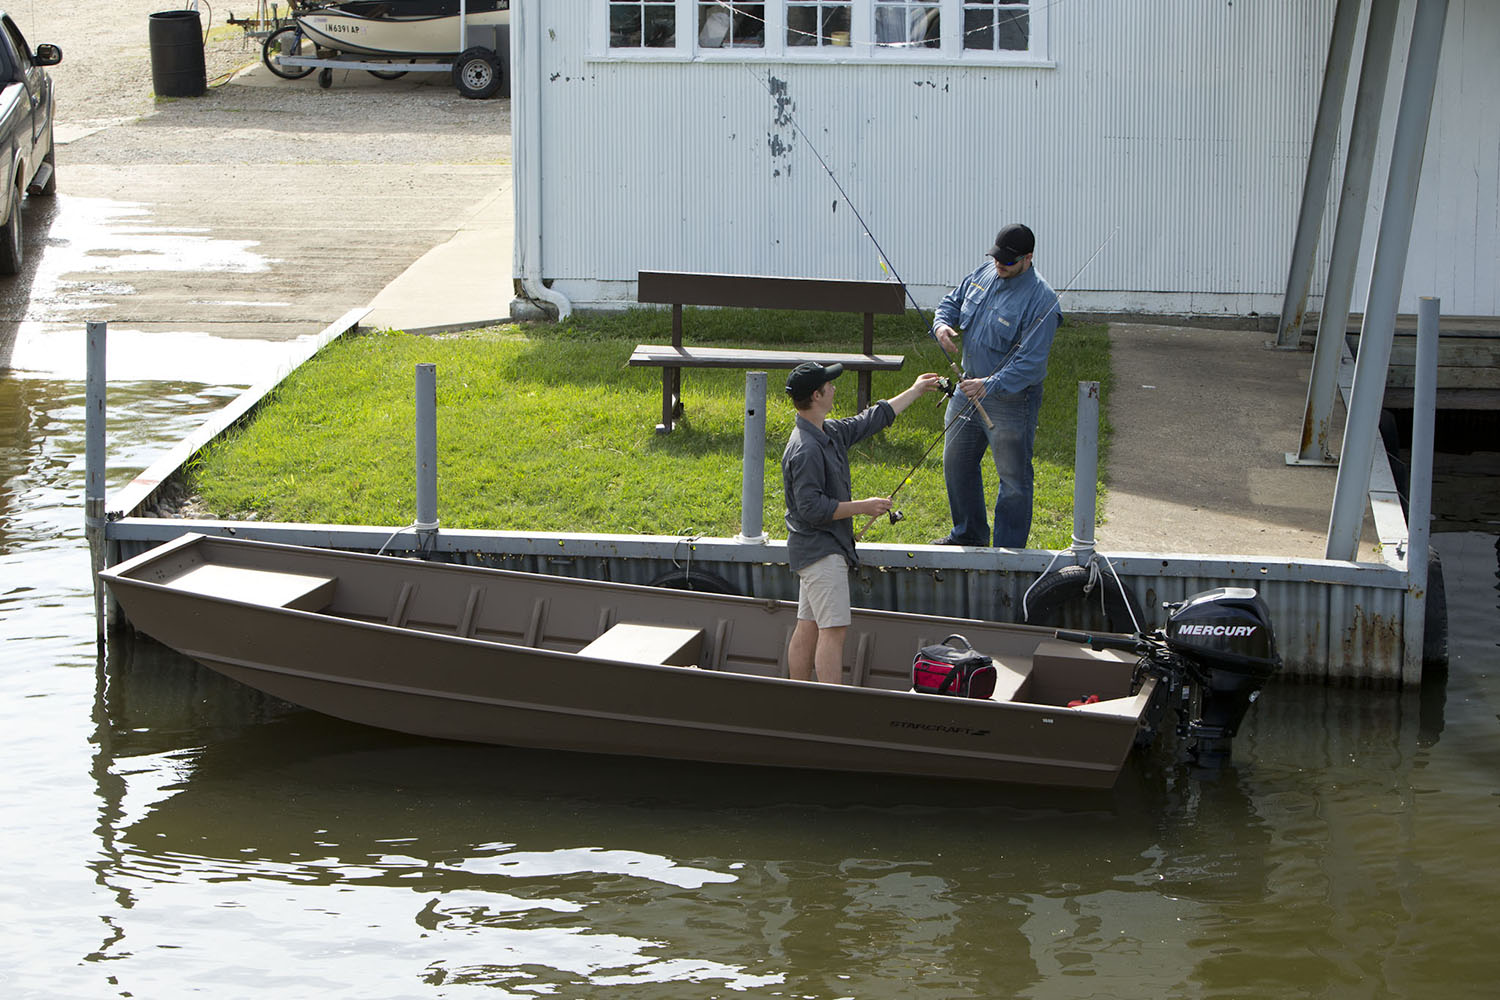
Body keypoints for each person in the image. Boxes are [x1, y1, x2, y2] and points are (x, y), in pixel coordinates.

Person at [782, 361, 943, 684]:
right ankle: (832, 704)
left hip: (814, 551)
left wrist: (914, 391)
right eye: (829, 385)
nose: (835, 387)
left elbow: (869, 420)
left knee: (809, 624)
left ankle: (795, 693)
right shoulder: (807, 449)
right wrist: (863, 507)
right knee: (833, 631)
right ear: (817, 395)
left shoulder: (827, 431)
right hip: (821, 553)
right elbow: (812, 509)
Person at [930, 223, 1062, 549]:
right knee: (956, 464)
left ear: (1028, 258)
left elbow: (1030, 364)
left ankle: (1008, 552)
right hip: (966, 389)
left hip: (1011, 400)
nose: (1000, 265)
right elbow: (953, 300)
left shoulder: (1042, 300)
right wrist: (942, 325)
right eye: (997, 257)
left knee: (1013, 479)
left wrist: (989, 385)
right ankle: (969, 535)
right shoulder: (986, 271)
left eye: (1008, 261)